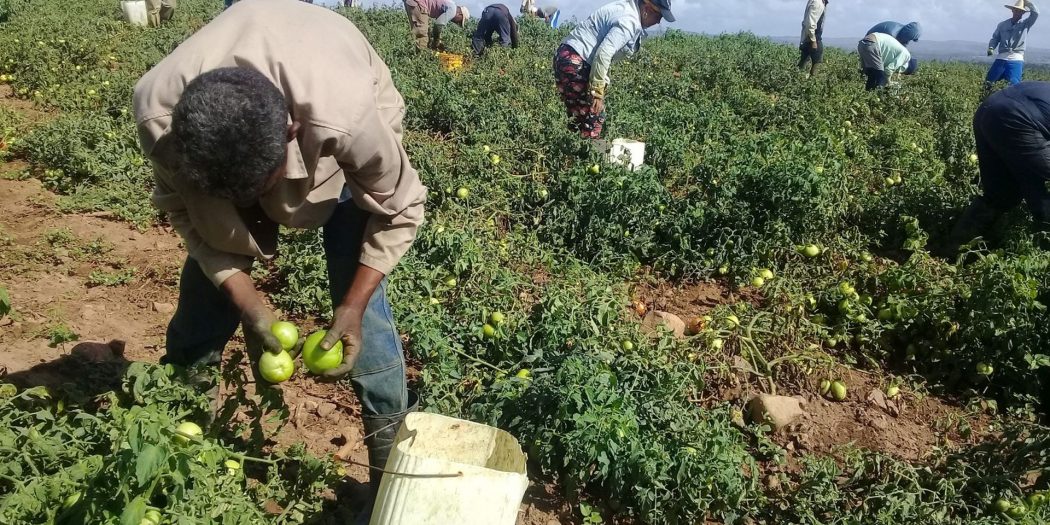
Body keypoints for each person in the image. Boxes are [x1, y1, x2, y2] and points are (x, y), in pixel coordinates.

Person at [132, 0, 426, 522]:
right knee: (204, 305)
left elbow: (401, 208)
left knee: (364, 314)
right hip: (235, 149)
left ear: (291, 136)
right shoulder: (160, 113)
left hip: (336, 131)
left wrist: (354, 304)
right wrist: (249, 303)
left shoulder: (347, 116)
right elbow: (188, 216)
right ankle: (173, 441)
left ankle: (387, 488)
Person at [945, 82, 1050, 254]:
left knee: (1000, 193)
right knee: (1044, 187)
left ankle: (956, 249)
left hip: (988, 109)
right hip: (1018, 118)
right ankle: (1044, 252)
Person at [553, 0, 674, 139]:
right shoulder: (629, 21)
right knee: (594, 117)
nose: (658, 22)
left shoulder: (624, 8)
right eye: (658, 16)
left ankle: (569, 154)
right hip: (576, 62)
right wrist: (597, 91)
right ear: (647, 8)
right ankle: (589, 157)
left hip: (565, 57)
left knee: (578, 116)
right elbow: (603, 53)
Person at [987, 0, 1039, 87]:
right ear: (1012, 10)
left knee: (1014, 85)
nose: (1018, 12)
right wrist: (991, 47)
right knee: (989, 82)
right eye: (1016, 10)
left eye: (1020, 11)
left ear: (1023, 13)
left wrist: (1027, 3)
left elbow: (1035, 13)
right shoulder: (1002, 25)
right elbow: (995, 38)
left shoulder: (1026, 23)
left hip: (1016, 58)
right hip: (1001, 57)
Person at [403, 0, 469, 51]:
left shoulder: (450, 4)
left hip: (413, 2)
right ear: (460, 14)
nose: (457, 23)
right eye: (460, 21)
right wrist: (436, 41)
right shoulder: (453, 10)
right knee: (422, 34)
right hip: (419, 3)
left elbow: (436, 26)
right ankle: (420, 59)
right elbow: (438, 25)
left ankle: (411, 53)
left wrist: (436, 39)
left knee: (418, 32)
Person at [798, 0, 828, 77]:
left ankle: (800, 80)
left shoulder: (820, 2)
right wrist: (813, 40)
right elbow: (810, 23)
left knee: (804, 63)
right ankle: (812, 83)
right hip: (812, 38)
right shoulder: (817, 2)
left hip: (810, 37)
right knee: (817, 64)